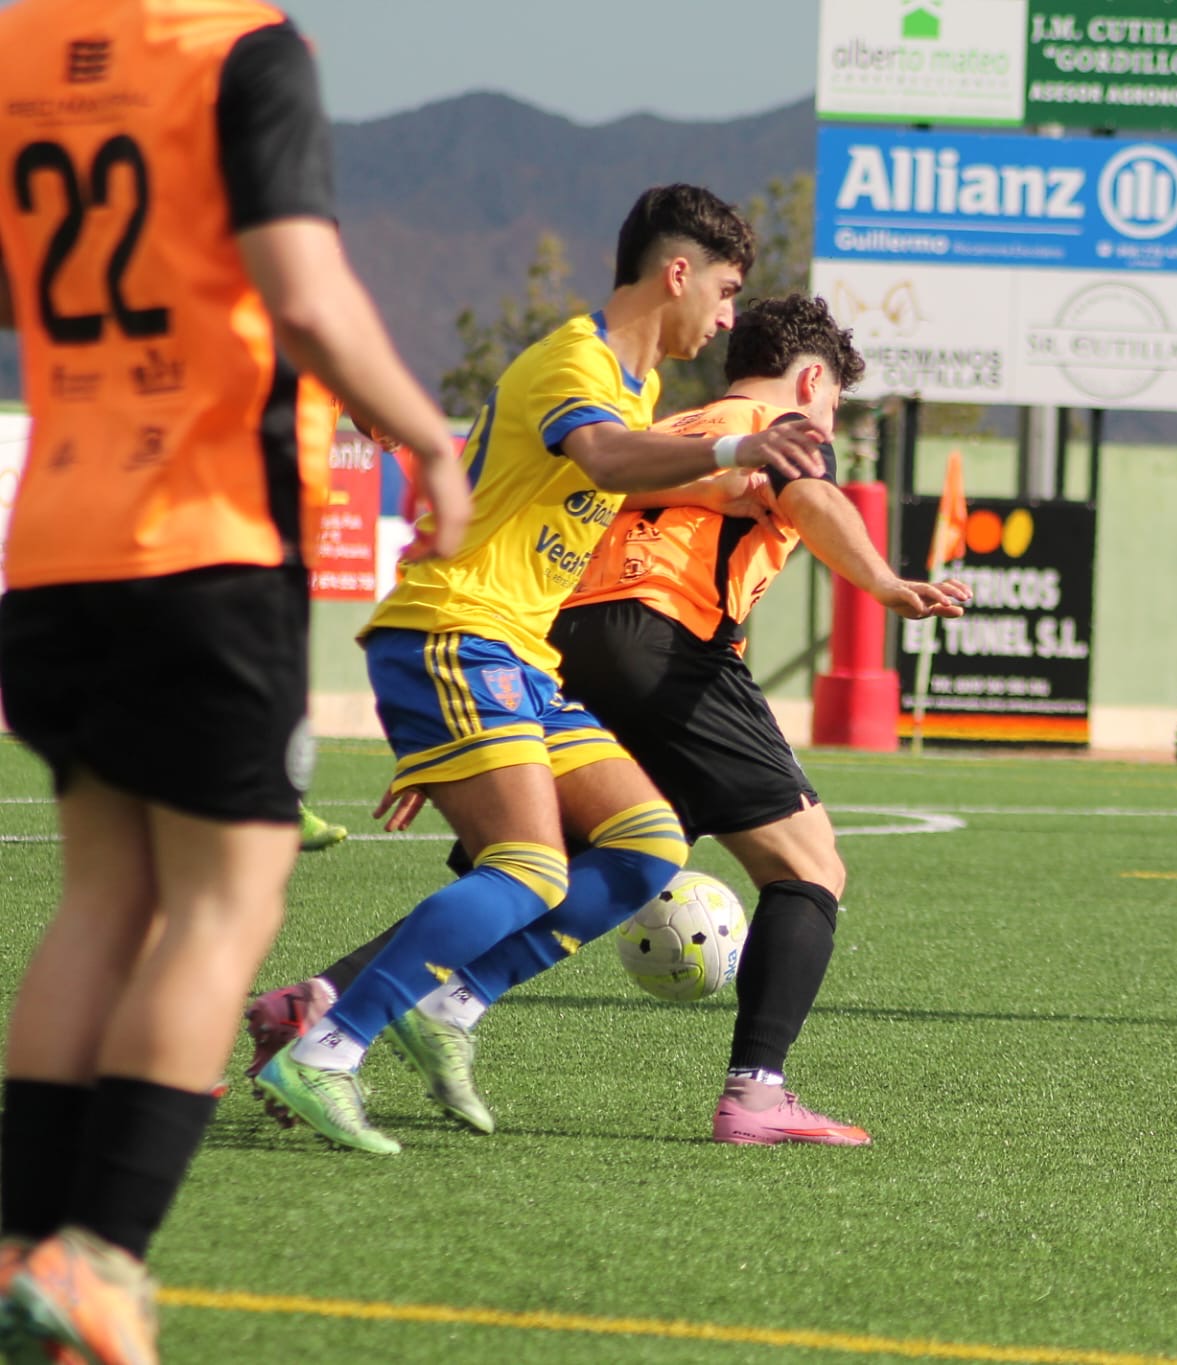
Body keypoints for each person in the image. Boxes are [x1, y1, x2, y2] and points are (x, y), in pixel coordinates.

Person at [0, 2, 469, 1360]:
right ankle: (101, 1258)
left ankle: (27, 1247)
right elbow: (303, 292)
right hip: (203, 544)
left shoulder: (23, 48)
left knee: (104, 899)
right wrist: (433, 442)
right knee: (226, 898)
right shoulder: (242, 48)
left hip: (58, 538)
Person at [247, 294, 971, 1146]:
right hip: (666, 646)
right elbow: (812, 498)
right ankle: (756, 1093)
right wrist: (883, 581)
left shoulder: (659, 428)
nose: (827, 424)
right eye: (835, 404)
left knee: (536, 867)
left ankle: (322, 1000)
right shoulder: (774, 427)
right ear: (813, 380)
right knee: (810, 865)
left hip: (558, 645)